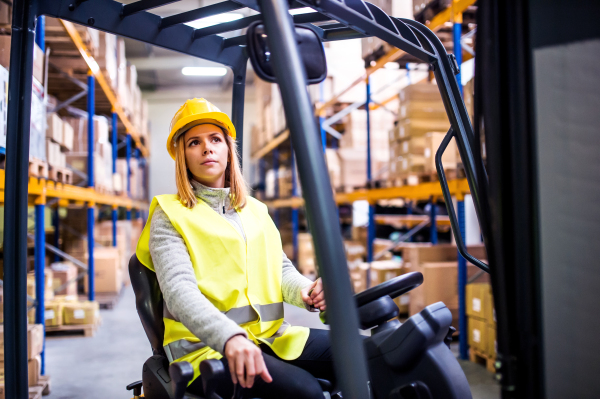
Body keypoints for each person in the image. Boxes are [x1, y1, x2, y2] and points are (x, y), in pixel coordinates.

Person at [136, 98, 335, 398]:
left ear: (229, 149)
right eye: (194, 142)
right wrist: (229, 337)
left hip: (270, 338)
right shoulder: (169, 214)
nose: (207, 148)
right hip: (205, 350)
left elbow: (279, 269)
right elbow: (179, 292)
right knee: (305, 392)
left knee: (363, 354)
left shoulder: (255, 210)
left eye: (215, 139)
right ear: (182, 156)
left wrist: (307, 292)